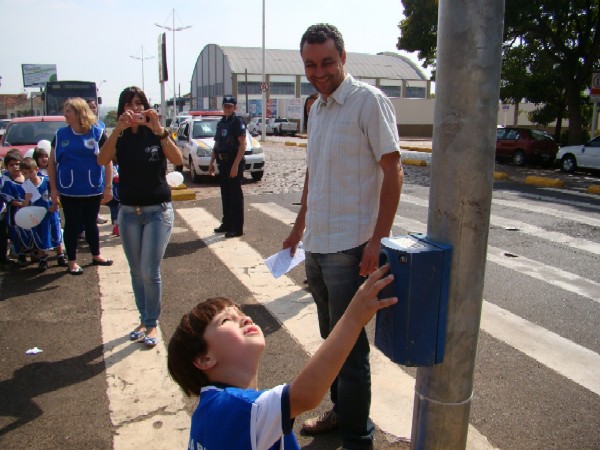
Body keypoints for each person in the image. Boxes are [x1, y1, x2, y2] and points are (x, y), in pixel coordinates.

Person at [282, 23, 404, 450]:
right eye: (310, 64)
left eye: (327, 62)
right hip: (317, 244)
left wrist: (377, 240)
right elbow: (314, 170)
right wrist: (299, 227)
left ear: (343, 58)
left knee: (350, 353)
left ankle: (357, 437)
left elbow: (394, 170)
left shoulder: (368, 102)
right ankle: (341, 413)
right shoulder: (317, 107)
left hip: (351, 248)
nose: (319, 71)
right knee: (331, 343)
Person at [167, 265, 398, 450]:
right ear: (204, 359)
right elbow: (303, 396)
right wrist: (354, 318)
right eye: (226, 320)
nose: (245, 318)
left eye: (241, 313)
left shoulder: (212, 411)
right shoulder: (232, 407)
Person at [98, 86, 183, 348]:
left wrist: (159, 129)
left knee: (149, 270)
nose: (134, 109)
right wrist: (117, 129)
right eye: (129, 104)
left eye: (138, 103)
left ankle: (152, 323)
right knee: (136, 271)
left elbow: (178, 159)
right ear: (122, 108)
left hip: (157, 210)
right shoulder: (119, 137)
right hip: (128, 212)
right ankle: (144, 319)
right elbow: (102, 159)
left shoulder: (156, 133)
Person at [47, 97, 113, 275]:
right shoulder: (60, 135)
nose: (65, 114)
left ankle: (96, 255)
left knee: (91, 223)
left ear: (79, 113)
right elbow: (51, 164)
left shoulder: (97, 133)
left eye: (68, 111)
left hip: (92, 188)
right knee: (72, 225)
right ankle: (72, 262)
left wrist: (108, 186)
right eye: (65, 110)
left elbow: (107, 162)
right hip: (69, 189)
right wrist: (53, 188)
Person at [209, 95, 247, 238]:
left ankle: (237, 228)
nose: (227, 108)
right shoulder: (221, 123)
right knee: (226, 194)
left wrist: (235, 165)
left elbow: (243, 145)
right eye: (225, 106)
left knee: (235, 196)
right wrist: (211, 162)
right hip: (222, 162)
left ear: (235, 107)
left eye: (230, 106)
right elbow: (217, 144)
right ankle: (227, 223)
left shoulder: (237, 122)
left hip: (233, 162)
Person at [19, 157, 63, 271]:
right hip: (36, 216)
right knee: (39, 235)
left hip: (50, 213)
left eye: (31, 172)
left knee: (56, 233)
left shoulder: (47, 181)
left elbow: (55, 194)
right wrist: (26, 200)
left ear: (37, 169)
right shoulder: (25, 187)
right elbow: (24, 206)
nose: (28, 175)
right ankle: (42, 258)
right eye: (25, 173)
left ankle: (60, 255)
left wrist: (55, 204)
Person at [1, 150, 34, 266]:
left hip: (29, 211)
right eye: (11, 165)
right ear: (6, 167)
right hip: (14, 213)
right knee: (16, 234)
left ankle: (32, 252)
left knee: (30, 232)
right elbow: (10, 200)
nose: (15, 167)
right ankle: (21, 255)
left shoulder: (28, 177)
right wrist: (23, 204)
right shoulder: (7, 182)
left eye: (17, 164)